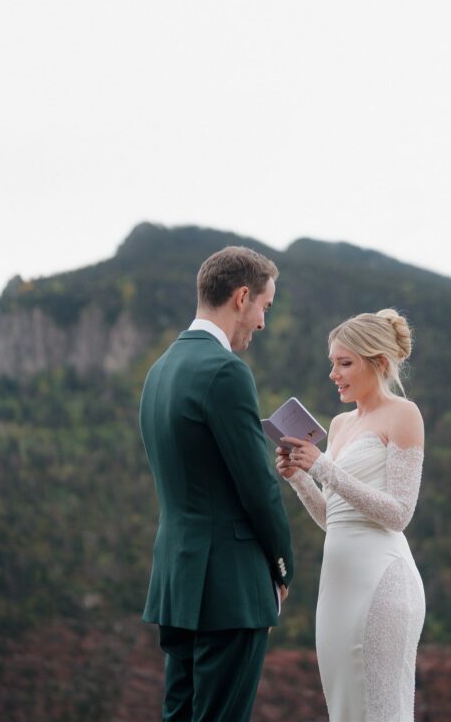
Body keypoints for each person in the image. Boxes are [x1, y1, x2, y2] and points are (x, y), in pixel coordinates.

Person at [139, 246, 294, 722]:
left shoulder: (159, 370)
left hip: (178, 580)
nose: (263, 323)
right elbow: (259, 486)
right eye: (264, 307)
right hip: (229, 589)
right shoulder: (226, 371)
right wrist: (282, 568)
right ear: (242, 297)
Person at [277, 309, 425, 722]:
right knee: (345, 711)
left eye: (345, 363)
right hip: (337, 585)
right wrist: (299, 476)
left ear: (378, 363)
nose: (334, 374)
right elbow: (333, 517)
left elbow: (399, 514)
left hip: (382, 583)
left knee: (381, 712)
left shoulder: (403, 414)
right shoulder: (340, 424)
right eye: (333, 363)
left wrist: (322, 468)